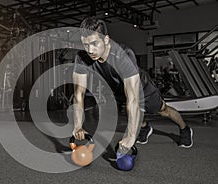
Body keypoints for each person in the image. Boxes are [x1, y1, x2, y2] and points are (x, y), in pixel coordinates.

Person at [72, 16, 193, 154]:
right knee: (131, 113)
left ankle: (184, 128)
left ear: (106, 39)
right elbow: (78, 94)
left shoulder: (123, 54)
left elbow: (134, 98)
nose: (90, 50)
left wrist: (130, 136)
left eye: (94, 43)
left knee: (163, 110)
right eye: (86, 44)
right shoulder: (81, 58)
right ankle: (145, 128)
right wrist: (77, 126)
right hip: (118, 90)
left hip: (141, 87)